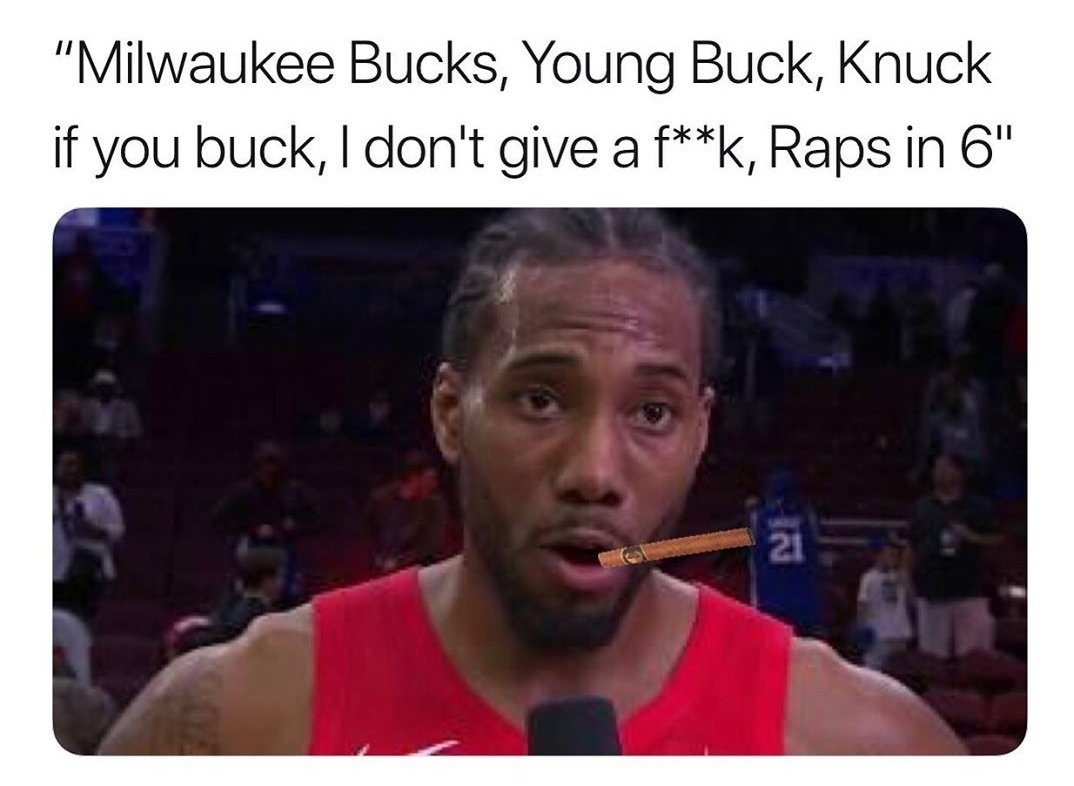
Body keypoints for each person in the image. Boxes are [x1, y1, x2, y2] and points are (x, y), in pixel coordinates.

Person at [99, 209, 963, 754]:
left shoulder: (862, 744)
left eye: (652, 412)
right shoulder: (230, 721)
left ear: (701, 433)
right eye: (540, 399)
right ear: (449, 413)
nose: (594, 473)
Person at [907, 453, 1001, 660]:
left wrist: (971, 536)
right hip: (931, 591)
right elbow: (911, 545)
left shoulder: (978, 507)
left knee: (974, 657)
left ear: (960, 473)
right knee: (931, 657)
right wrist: (908, 581)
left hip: (970, 591)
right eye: (937, 468)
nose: (939, 472)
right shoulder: (923, 507)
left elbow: (997, 540)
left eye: (946, 467)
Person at [208, 440, 319, 603]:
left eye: (273, 466)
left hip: (285, 549)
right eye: (264, 466)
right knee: (250, 595)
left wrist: (296, 525)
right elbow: (218, 518)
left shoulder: (293, 491)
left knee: (286, 595)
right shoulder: (244, 491)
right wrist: (252, 527)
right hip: (253, 549)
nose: (268, 471)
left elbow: (318, 519)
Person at [747, 469, 823, 636]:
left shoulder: (758, 519)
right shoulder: (808, 517)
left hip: (769, 601)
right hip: (805, 602)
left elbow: (733, 541)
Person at [173, 546, 288, 655]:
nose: (282, 582)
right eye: (280, 576)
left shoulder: (230, 606)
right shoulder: (255, 615)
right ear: (267, 581)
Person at [53, 448, 125, 622]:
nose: (67, 470)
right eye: (63, 465)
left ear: (82, 469)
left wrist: (93, 530)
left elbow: (118, 532)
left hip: (86, 570)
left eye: (72, 464)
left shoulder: (100, 495)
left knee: (78, 622)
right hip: (52, 568)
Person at [364, 450, 450, 574]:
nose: (435, 484)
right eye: (430, 478)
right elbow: (370, 529)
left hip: (422, 570)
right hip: (386, 567)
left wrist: (398, 562)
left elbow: (431, 545)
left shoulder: (435, 504)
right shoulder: (380, 499)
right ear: (413, 478)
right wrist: (378, 555)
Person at [857, 536, 914, 671]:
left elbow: (911, 603)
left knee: (899, 671)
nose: (894, 557)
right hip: (879, 634)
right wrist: (862, 629)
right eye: (889, 553)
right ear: (878, 555)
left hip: (900, 633)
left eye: (895, 554)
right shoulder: (869, 578)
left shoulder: (901, 576)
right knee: (873, 670)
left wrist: (907, 582)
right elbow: (862, 605)